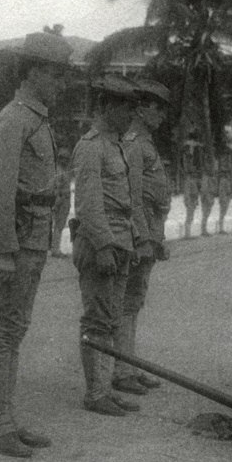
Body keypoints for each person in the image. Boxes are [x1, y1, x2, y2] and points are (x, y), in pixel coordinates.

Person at [0, 31, 73, 458]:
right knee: (4, 329)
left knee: (15, 330)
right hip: (16, 242)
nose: (61, 83)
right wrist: (0, 250)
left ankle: (8, 418)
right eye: (54, 74)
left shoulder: (36, 119)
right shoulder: (14, 120)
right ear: (32, 73)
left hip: (31, 239)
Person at [72, 74, 142, 417]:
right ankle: (96, 392)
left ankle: (105, 388)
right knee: (97, 320)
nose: (132, 115)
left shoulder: (115, 144)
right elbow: (87, 203)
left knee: (112, 319)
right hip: (102, 243)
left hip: (120, 241)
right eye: (127, 108)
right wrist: (102, 245)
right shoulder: (91, 146)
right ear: (108, 106)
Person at [112, 78, 172, 395]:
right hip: (140, 232)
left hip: (150, 230)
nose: (162, 115)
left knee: (134, 302)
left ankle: (129, 366)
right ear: (143, 107)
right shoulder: (135, 143)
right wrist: (143, 238)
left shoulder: (145, 141)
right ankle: (121, 370)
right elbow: (133, 196)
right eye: (158, 108)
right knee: (126, 303)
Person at [179, 131, 211, 237]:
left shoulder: (186, 148)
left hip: (191, 178)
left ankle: (188, 232)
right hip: (197, 178)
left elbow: (182, 165)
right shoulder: (196, 148)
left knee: (191, 204)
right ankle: (201, 229)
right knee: (200, 203)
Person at [50, 150, 73, 257]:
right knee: (58, 226)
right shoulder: (59, 171)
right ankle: (55, 249)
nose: (66, 160)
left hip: (64, 200)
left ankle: (55, 248)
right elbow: (57, 187)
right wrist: (58, 200)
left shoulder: (63, 170)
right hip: (61, 200)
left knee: (59, 225)